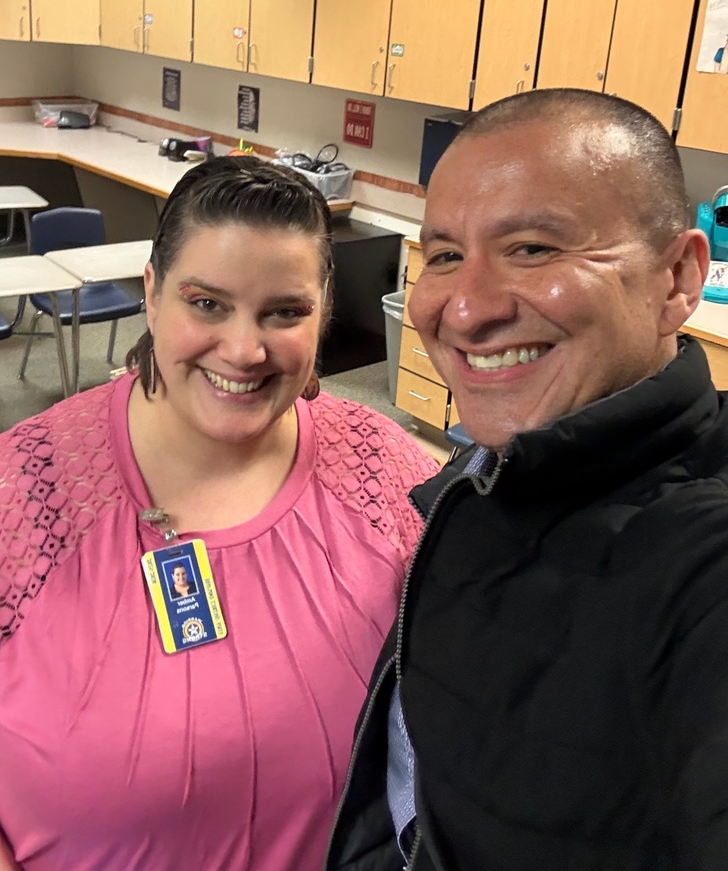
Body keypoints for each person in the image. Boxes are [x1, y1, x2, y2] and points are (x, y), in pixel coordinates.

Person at [324, 87, 728, 871]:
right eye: (444, 256)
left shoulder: (697, 556)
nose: (466, 311)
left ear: (676, 279)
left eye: (535, 248)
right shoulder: (503, 462)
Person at [0, 154, 439, 871]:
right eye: (206, 303)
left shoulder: (391, 479)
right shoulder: (21, 494)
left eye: (285, 311)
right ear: (151, 293)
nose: (244, 348)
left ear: (324, 310)